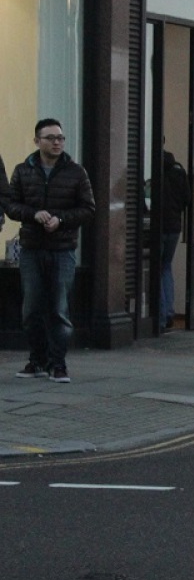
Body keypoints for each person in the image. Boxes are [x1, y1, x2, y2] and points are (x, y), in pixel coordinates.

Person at [6, 119, 96, 383]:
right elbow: (11, 205)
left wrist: (61, 219)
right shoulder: (24, 171)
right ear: (37, 141)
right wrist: (34, 214)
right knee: (31, 309)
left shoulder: (76, 172)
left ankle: (59, 364)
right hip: (32, 249)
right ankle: (37, 361)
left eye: (60, 138)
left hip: (63, 249)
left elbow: (88, 209)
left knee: (59, 309)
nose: (57, 142)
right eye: (50, 138)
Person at [157, 151, 189, 331]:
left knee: (157, 268)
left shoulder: (154, 167)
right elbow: (187, 199)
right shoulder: (179, 171)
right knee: (166, 267)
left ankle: (161, 316)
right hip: (175, 227)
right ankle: (169, 312)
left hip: (158, 226)